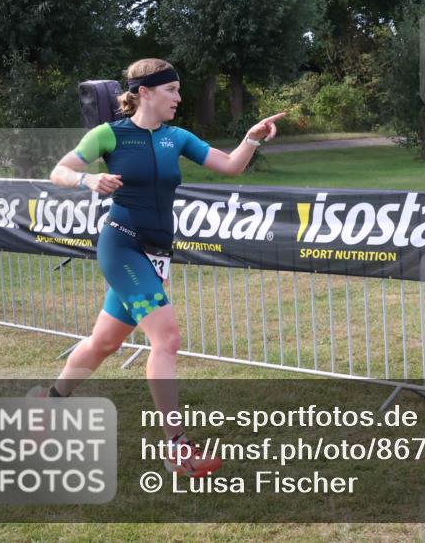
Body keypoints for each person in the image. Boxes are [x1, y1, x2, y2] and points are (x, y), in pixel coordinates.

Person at [33, 58, 287, 478]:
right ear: (145, 92)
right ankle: (177, 449)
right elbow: (59, 170)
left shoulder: (177, 137)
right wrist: (87, 181)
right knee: (166, 339)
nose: (179, 98)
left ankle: (49, 404)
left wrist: (250, 139)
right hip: (121, 245)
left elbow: (230, 165)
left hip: (154, 251)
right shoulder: (109, 135)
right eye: (172, 90)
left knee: (104, 343)